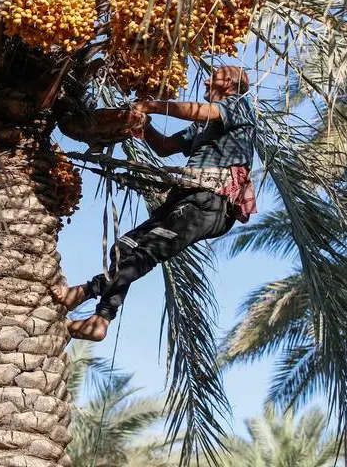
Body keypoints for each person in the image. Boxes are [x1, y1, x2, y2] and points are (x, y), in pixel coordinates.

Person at [51, 65, 257, 341]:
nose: (206, 79)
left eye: (215, 75)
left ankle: (84, 292)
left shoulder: (240, 105)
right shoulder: (202, 125)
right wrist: (142, 125)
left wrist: (152, 105)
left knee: (145, 254)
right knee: (124, 247)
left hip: (211, 203)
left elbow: (203, 110)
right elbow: (164, 147)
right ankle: (100, 320)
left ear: (231, 84)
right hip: (187, 198)